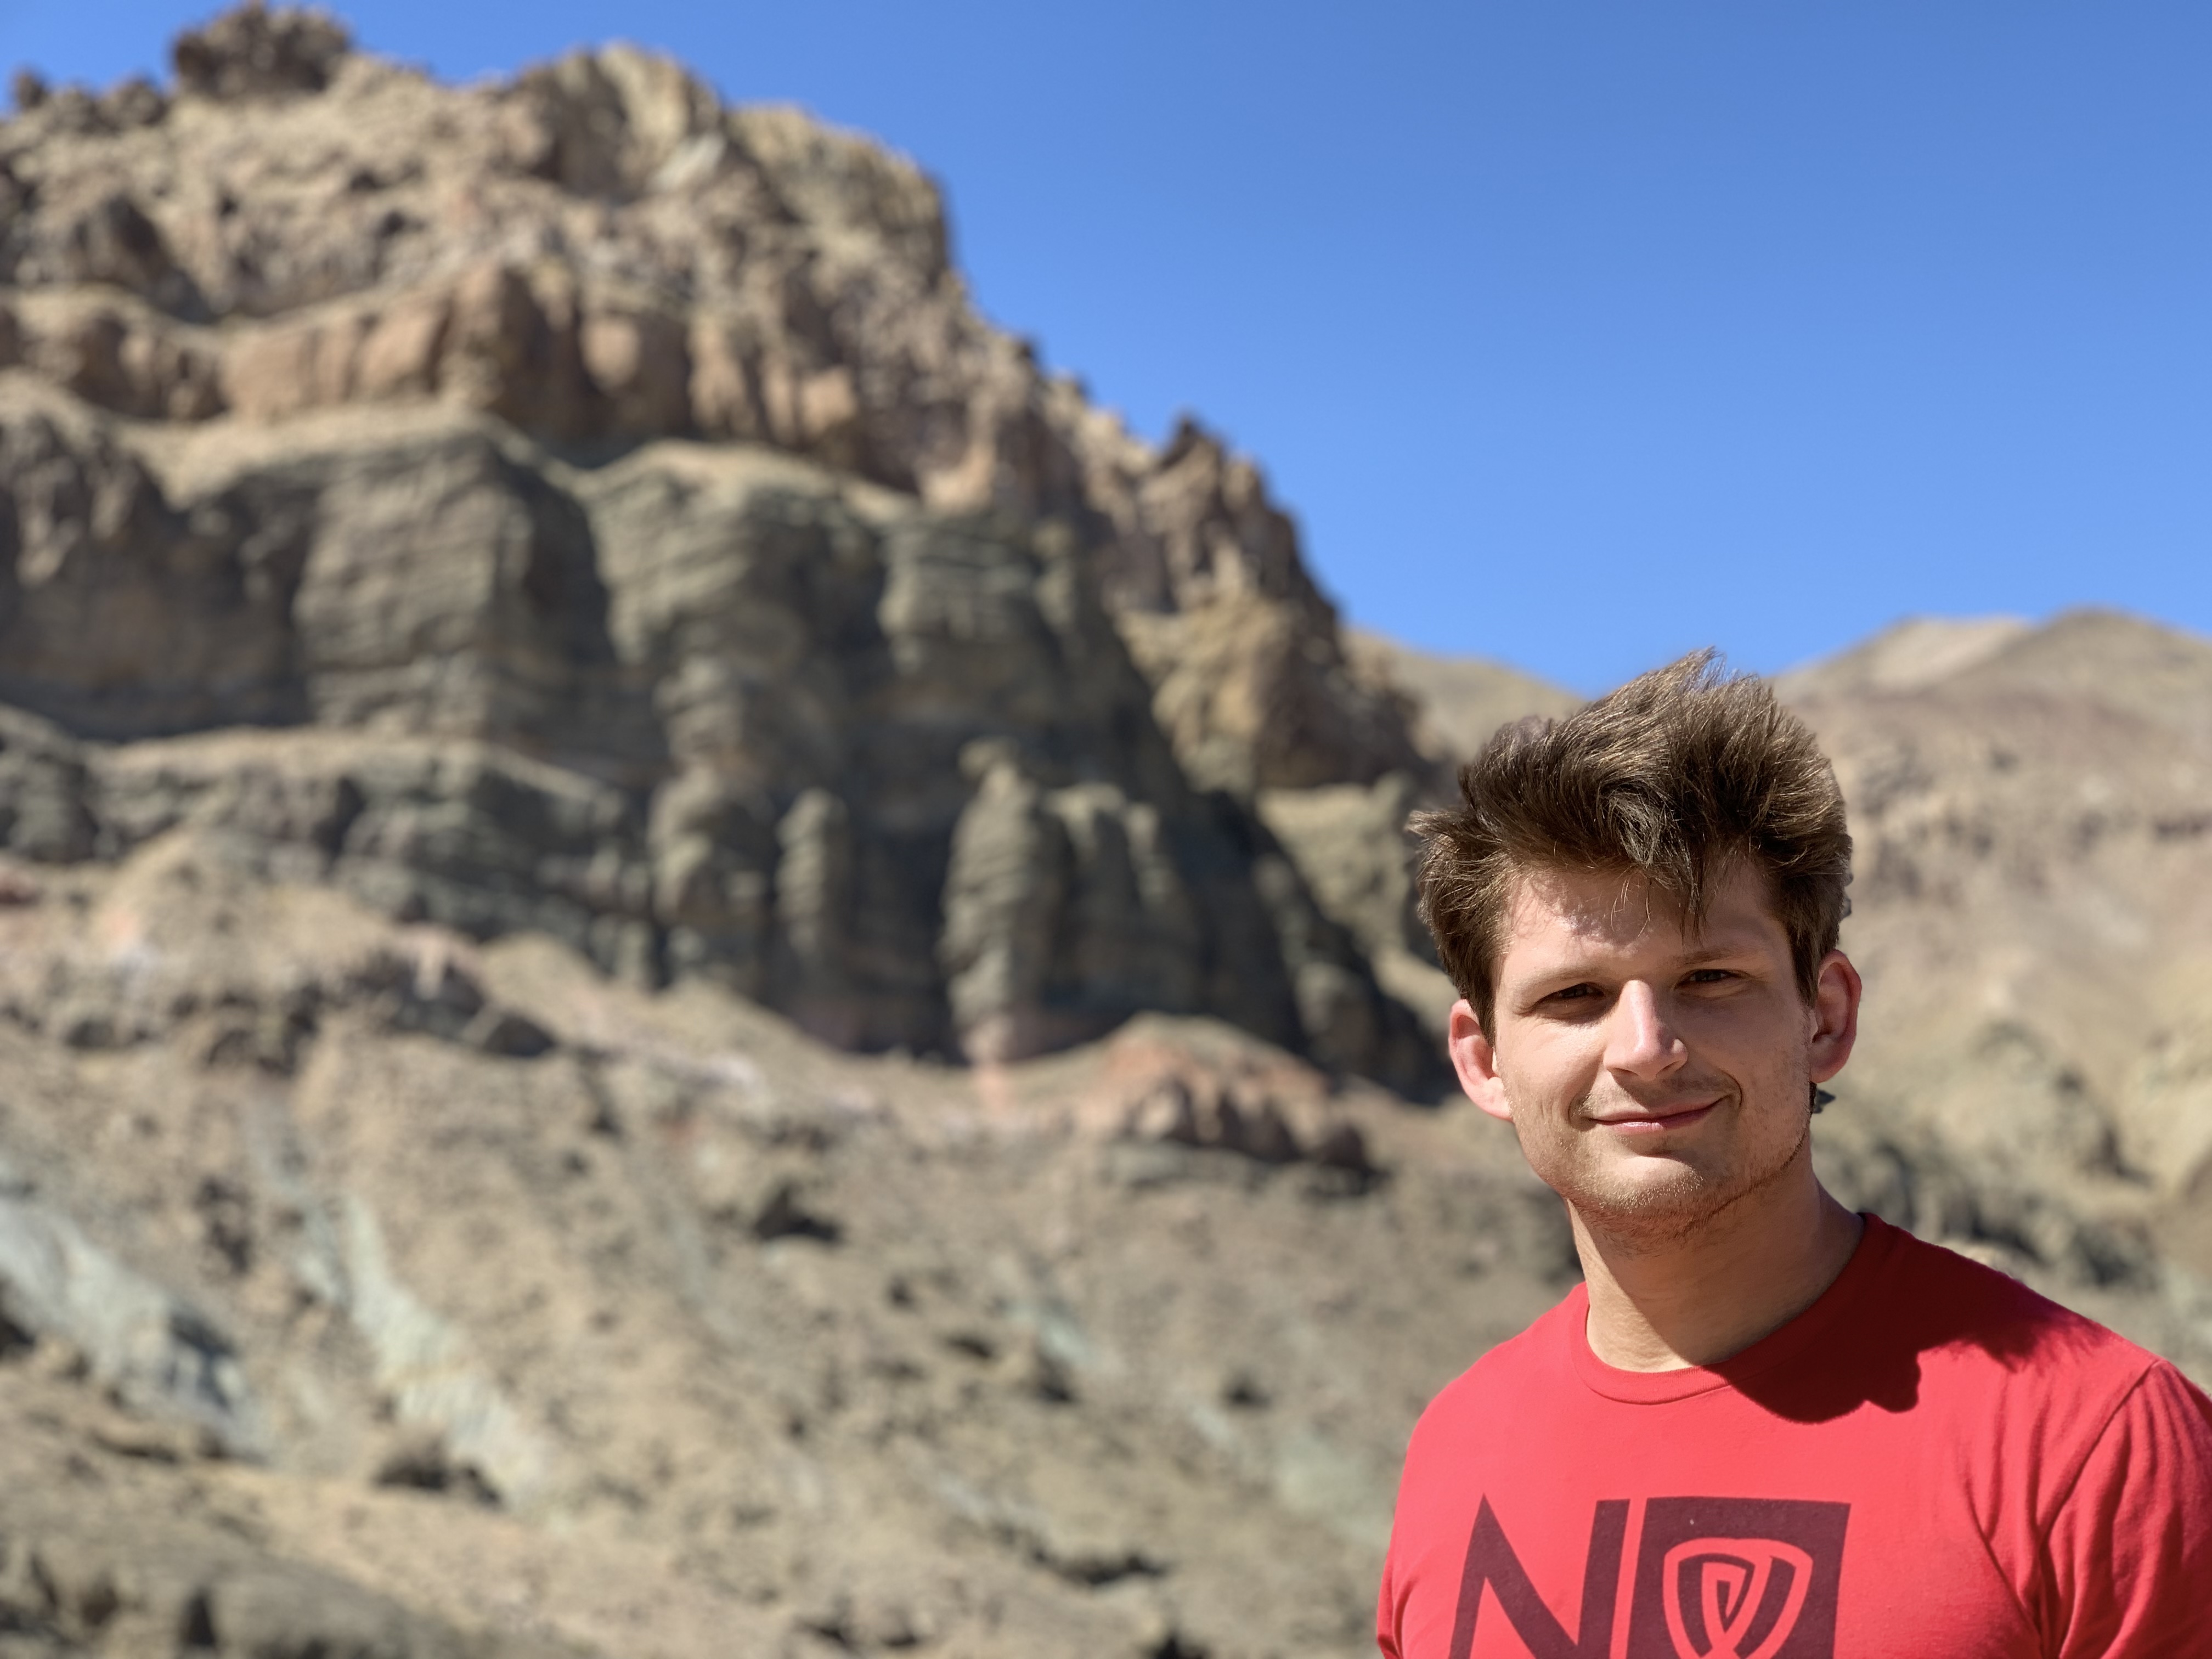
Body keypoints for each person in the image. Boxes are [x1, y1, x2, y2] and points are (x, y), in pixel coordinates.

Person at [1376, 652, 2212, 1659]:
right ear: (1484, 1062)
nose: (1645, 1047)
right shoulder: (1457, 1454)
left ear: (1825, 1017)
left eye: (1710, 978)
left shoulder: (2097, 1447)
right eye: (1575, 996)